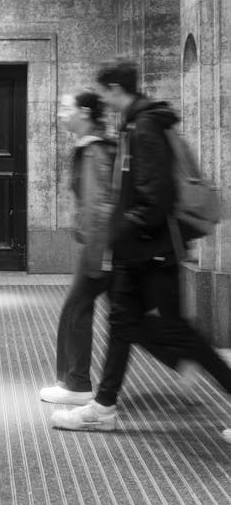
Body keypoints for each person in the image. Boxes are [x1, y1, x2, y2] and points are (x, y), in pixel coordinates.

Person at [51, 58, 231, 434]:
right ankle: (102, 407)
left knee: (176, 332)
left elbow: (155, 197)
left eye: (104, 93)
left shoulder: (144, 126)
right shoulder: (135, 123)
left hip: (150, 249)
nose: (102, 101)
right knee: (122, 324)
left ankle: (106, 403)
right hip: (140, 248)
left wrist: (117, 234)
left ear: (116, 90)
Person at [40, 89, 115, 405]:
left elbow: (100, 205)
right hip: (104, 245)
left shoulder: (94, 151)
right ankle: (187, 355)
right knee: (133, 323)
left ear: (84, 112)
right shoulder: (93, 147)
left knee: (76, 309)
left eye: (65, 106)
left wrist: (101, 255)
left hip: (102, 247)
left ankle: (77, 384)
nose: (60, 112)